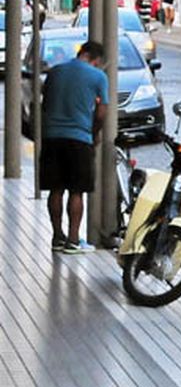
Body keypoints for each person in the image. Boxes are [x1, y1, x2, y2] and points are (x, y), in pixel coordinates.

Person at [40, 40, 108, 253]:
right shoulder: (98, 76)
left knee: (56, 189)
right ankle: (73, 239)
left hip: (52, 137)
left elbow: (45, 104)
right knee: (77, 191)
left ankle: (57, 236)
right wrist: (94, 133)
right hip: (79, 138)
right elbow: (101, 112)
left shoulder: (55, 72)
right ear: (96, 60)